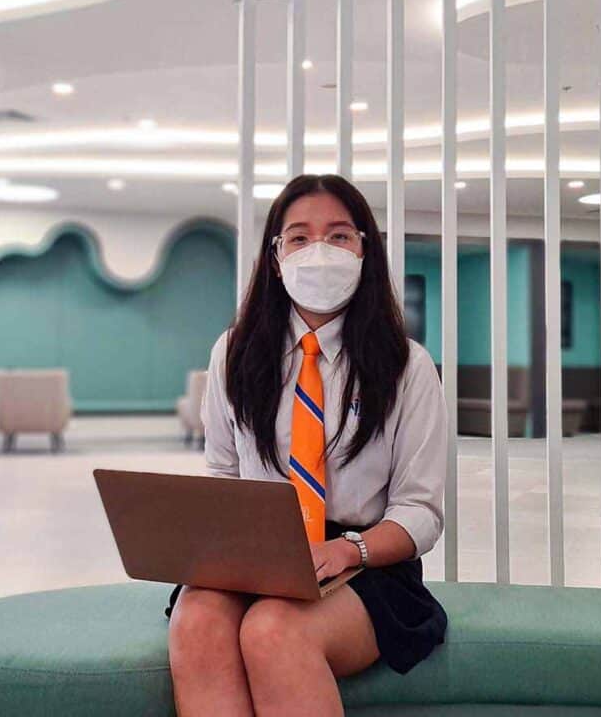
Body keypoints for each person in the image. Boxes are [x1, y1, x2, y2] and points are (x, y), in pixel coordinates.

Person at [167, 174, 449, 715]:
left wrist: (348, 550)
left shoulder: (406, 366)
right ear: (275, 257)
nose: (318, 250)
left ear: (366, 250)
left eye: (339, 236)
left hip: (366, 564)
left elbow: (421, 510)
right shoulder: (234, 352)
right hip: (254, 554)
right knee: (198, 619)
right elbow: (223, 475)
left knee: (273, 629)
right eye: (298, 237)